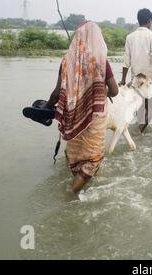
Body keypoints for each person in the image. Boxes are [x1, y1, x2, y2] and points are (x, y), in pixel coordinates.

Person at [45, 21, 119, 194]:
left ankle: (77, 181)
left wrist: (46, 107)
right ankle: (70, 193)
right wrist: (100, 91)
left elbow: (57, 93)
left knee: (76, 155)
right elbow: (114, 91)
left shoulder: (66, 61)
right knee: (93, 159)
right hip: (95, 116)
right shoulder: (101, 61)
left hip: (72, 115)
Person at [120, 8, 152, 133]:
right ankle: (139, 131)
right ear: (149, 21)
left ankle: (137, 130)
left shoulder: (130, 37)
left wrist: (123, 80)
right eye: (151, 21)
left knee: (139, 106)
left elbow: (126, 61)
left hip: (136, 79)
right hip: (148, 79)